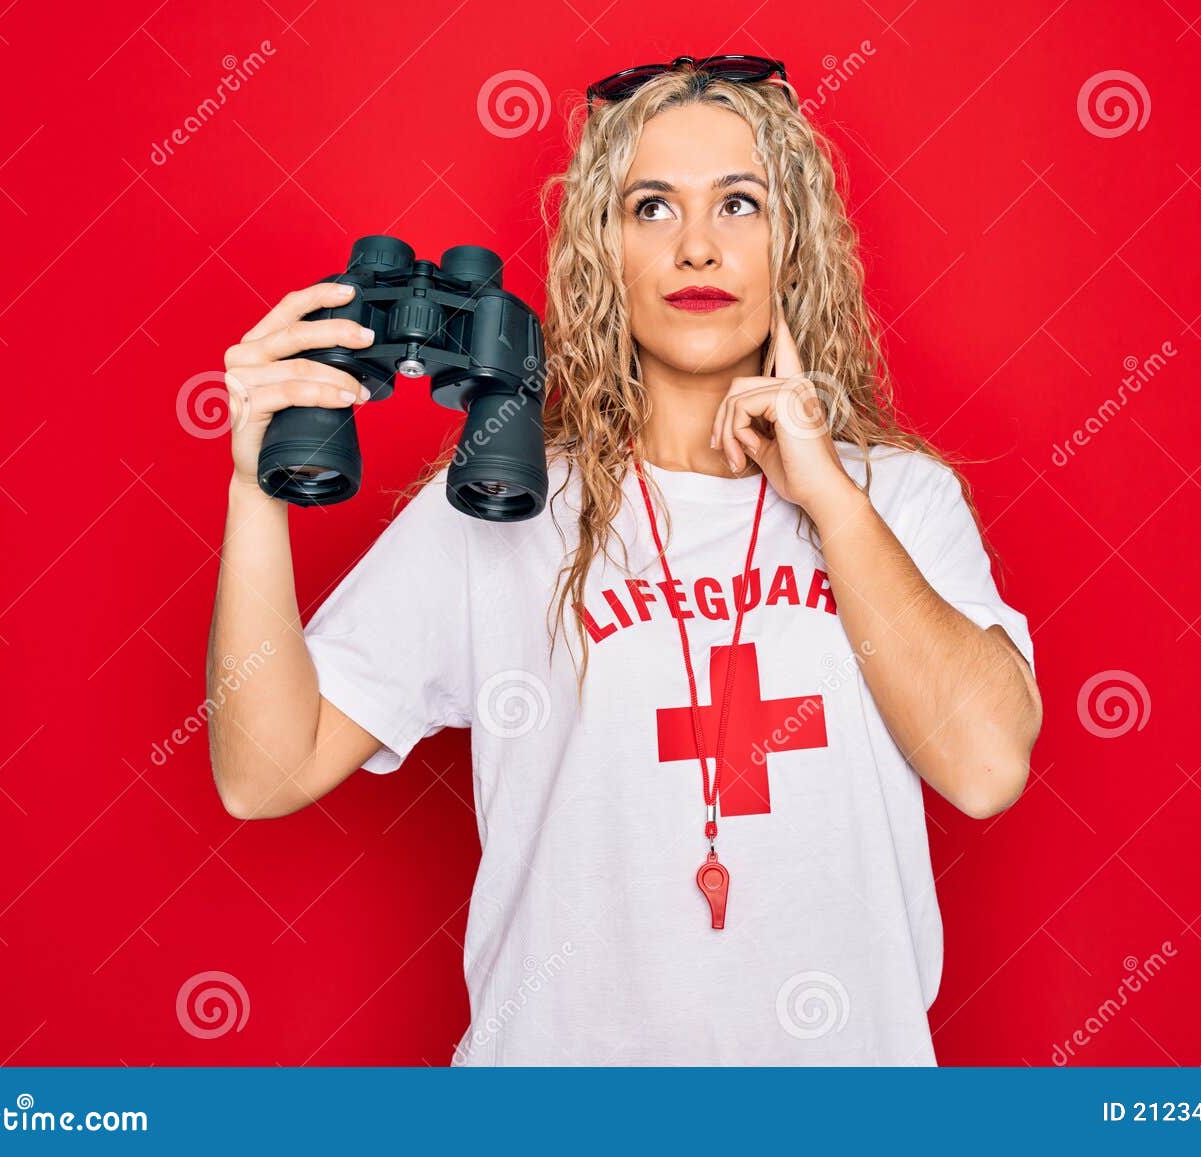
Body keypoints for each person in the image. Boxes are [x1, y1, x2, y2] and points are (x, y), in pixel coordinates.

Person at [207, 55, 1041, 1065]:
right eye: (652, 207)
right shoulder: (503, 500)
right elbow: (263, 768)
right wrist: (257, 487)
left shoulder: (897, 498)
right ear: (603, 250)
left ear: (796, 243)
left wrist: (827, 493)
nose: (697, 245)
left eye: (739, 202)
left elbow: (988, 765)